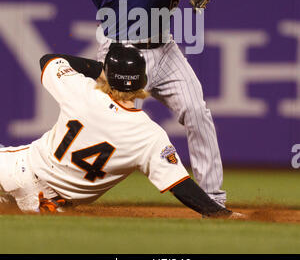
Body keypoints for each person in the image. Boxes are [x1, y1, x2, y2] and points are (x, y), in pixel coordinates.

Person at [64, 0, 226, 207]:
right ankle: (61, 190)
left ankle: (213, 200)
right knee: (106, 132)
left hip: (165, 48)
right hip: (122, 51)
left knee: (197, 112)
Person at [0, 44, 241, 219]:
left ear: (107, 75)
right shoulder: (148, 135)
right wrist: (220, 213)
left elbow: (48, 60)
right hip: (48, 205)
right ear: (142, 82)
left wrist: (101, 71)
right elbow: (180, 185)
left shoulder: (82, 91)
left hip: (15, 171)